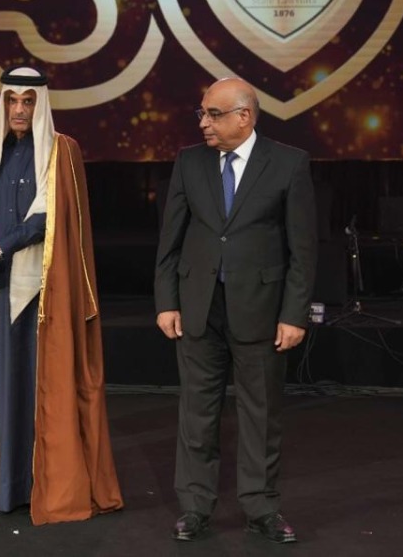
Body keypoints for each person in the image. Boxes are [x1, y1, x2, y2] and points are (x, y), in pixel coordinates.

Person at [0, 66, 124, 525]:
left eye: (29, 102)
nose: (20, 110)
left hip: (45, 293)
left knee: (40, 387)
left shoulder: (62, 152)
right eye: (12, 101)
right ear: (2, 104)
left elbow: (50, 218)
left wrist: (0, 247)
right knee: (1, 389)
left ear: (41, 105)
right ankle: (2, 487)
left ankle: (47, 485)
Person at [154, 77, 316, 545]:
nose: (203, 122)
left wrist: (295, 314)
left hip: (262, 311)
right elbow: (171, 239)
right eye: (201, 113)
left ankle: (261, 508)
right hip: (198, 307)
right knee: (197, 413)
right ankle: (195, 508)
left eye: (213, 114)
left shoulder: (288, 164)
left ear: (244, 116)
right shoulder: (189, 162)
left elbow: (302, 250)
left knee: (260, 415)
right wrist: (166, 301)